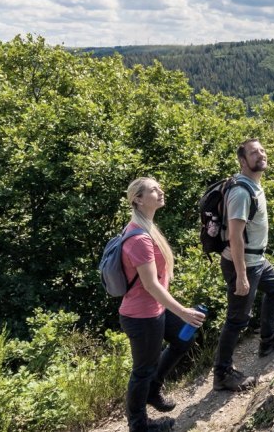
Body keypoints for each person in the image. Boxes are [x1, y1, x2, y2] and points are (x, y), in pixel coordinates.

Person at [119, 177, 206, 432]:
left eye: (159, 187)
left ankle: (153, 390)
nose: (160, 191)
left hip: (154, 310)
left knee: (183, 339)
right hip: (142, 316)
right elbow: (150, 285)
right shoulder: (139, 238)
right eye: (153, 190)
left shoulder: (146, 227)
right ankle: (139, 425)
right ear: (137, 198)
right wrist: (183, 311)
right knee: (142, 370)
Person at [212, 138, 274, 392]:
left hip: (256, 260)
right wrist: (241, 276)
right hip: (244, 263)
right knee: (237, 319)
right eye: (253, 152)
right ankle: (222, 374)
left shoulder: (252, 185)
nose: (260, 154)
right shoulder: (241, 192)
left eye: (261, 150)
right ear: (242, 161)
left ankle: (268, 340)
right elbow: (235, 236)